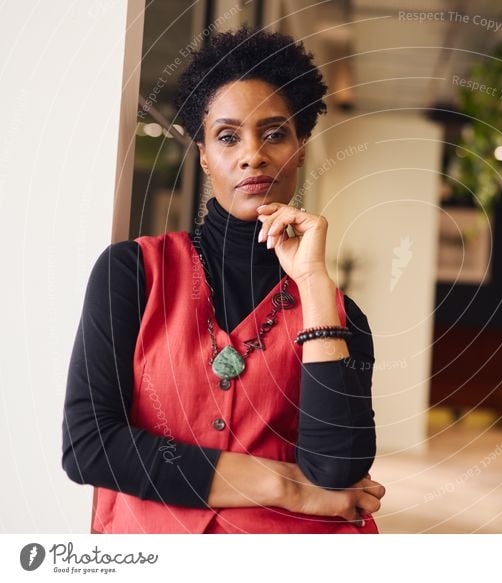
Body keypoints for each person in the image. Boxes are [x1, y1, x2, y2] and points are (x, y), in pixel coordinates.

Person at [61, 26, 385, 534]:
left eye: (275, 133)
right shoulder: (131, 273)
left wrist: (315, 285)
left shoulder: (339, 312)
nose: (252, 154)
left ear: (301, 148)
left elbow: (338, 471)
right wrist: (286, 485)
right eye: (228, 136)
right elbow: (89, 446)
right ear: (204, 155)